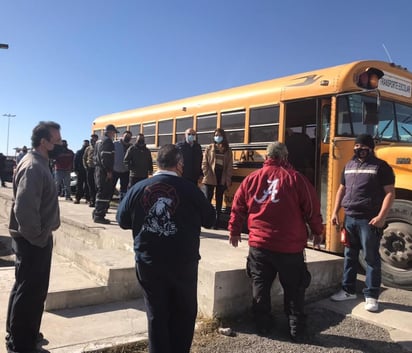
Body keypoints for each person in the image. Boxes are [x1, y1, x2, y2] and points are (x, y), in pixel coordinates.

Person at [117, 144, 215, 353]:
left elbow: (122, 220)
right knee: (184, 312)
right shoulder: (191, 189)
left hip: (149, 262)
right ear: (179, 163)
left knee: (156, 314)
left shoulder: (138, 188)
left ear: (157, 163)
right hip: (183, 263)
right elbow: (210, 219)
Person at [228, 141, 323, 339]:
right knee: (294, 288)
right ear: (285, 157)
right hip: (289, 246)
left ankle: (262, 323)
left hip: (259, 245)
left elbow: (238, 207)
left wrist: (234, 231)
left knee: (260, 284)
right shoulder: (296, 178)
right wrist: (317, 231)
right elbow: (312, 209)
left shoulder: (251, 179)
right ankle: (296, 328)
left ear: (267, 157)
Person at [6, 121, 62, 353]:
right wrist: (38, 238)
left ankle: (21, 333)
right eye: (57, 141)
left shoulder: (40, 163)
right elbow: (24, 210)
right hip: (32, 240)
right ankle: (22, 344)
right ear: (44, 142)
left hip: (34, 239)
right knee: (31, 292)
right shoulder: (33, 167)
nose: (61, 144)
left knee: (25, 288)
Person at [330, 134, 395, 312]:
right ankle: (348, 290)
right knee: (350, 255)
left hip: (369, 220)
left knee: (371, 258)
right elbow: (341, 189)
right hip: (349, 218)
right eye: (357, 145)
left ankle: (372, 295)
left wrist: (381, 216)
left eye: (363, 146)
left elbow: (390, 193)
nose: (359, 148)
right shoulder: (348, 166)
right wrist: (335, 211)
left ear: (370, 148)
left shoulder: (381, 167)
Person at [202, 128, 233, 229]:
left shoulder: (227, 149)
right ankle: (206, 220)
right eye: (216, 135)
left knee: (219, 200)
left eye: (219, 135)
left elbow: (229, 165)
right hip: (211, 174)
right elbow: (204, 162)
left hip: (221, 175)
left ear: (223, 137)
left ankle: (216, 222)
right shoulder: (209, 148)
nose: (217, 137)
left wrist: (228, 178)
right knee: (208, 199)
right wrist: (206, 173)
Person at [93, 124, 118, 224]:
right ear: (110, 132)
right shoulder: (108, 141)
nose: (114, 135)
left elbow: (96, 156)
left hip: (98, 169)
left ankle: (96, 212)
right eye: (113, 132)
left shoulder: (98, 141)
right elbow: (106, 158)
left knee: (100, 191)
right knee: (104, 193)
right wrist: (109, 171)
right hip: (104, 171)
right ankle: (99, 215)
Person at [112, 130, 132, 201]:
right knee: (111, 187)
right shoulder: (115, 144)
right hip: (115, 169)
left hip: (125, 170)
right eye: (126, 136)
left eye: (129, 137)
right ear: (122, 136)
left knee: (124, 189)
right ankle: (106, 204)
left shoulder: (131, 147)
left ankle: (122, 204)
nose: (127, 138)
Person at [83, 134, 98, 207]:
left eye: (94, 139)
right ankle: (92, 200)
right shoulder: (88, 148)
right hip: (90, 168)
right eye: (91, 139)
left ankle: (97, 201)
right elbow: (84, 158)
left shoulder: (99, 147)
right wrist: (86, 166)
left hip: (97, 169)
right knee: (90, 185)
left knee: (97, 185)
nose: (92, 140)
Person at [73, 139, 90, 204]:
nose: (85, 144)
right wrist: (75, 169)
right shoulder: (79, 152)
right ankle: (77, 198)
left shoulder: (90, 151)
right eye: (84, 143)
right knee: (79, 185)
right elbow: (75, 161)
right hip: (80, 171)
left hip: (88, 170)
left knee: (87, 185)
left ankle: (88, 198)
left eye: (87, 143)